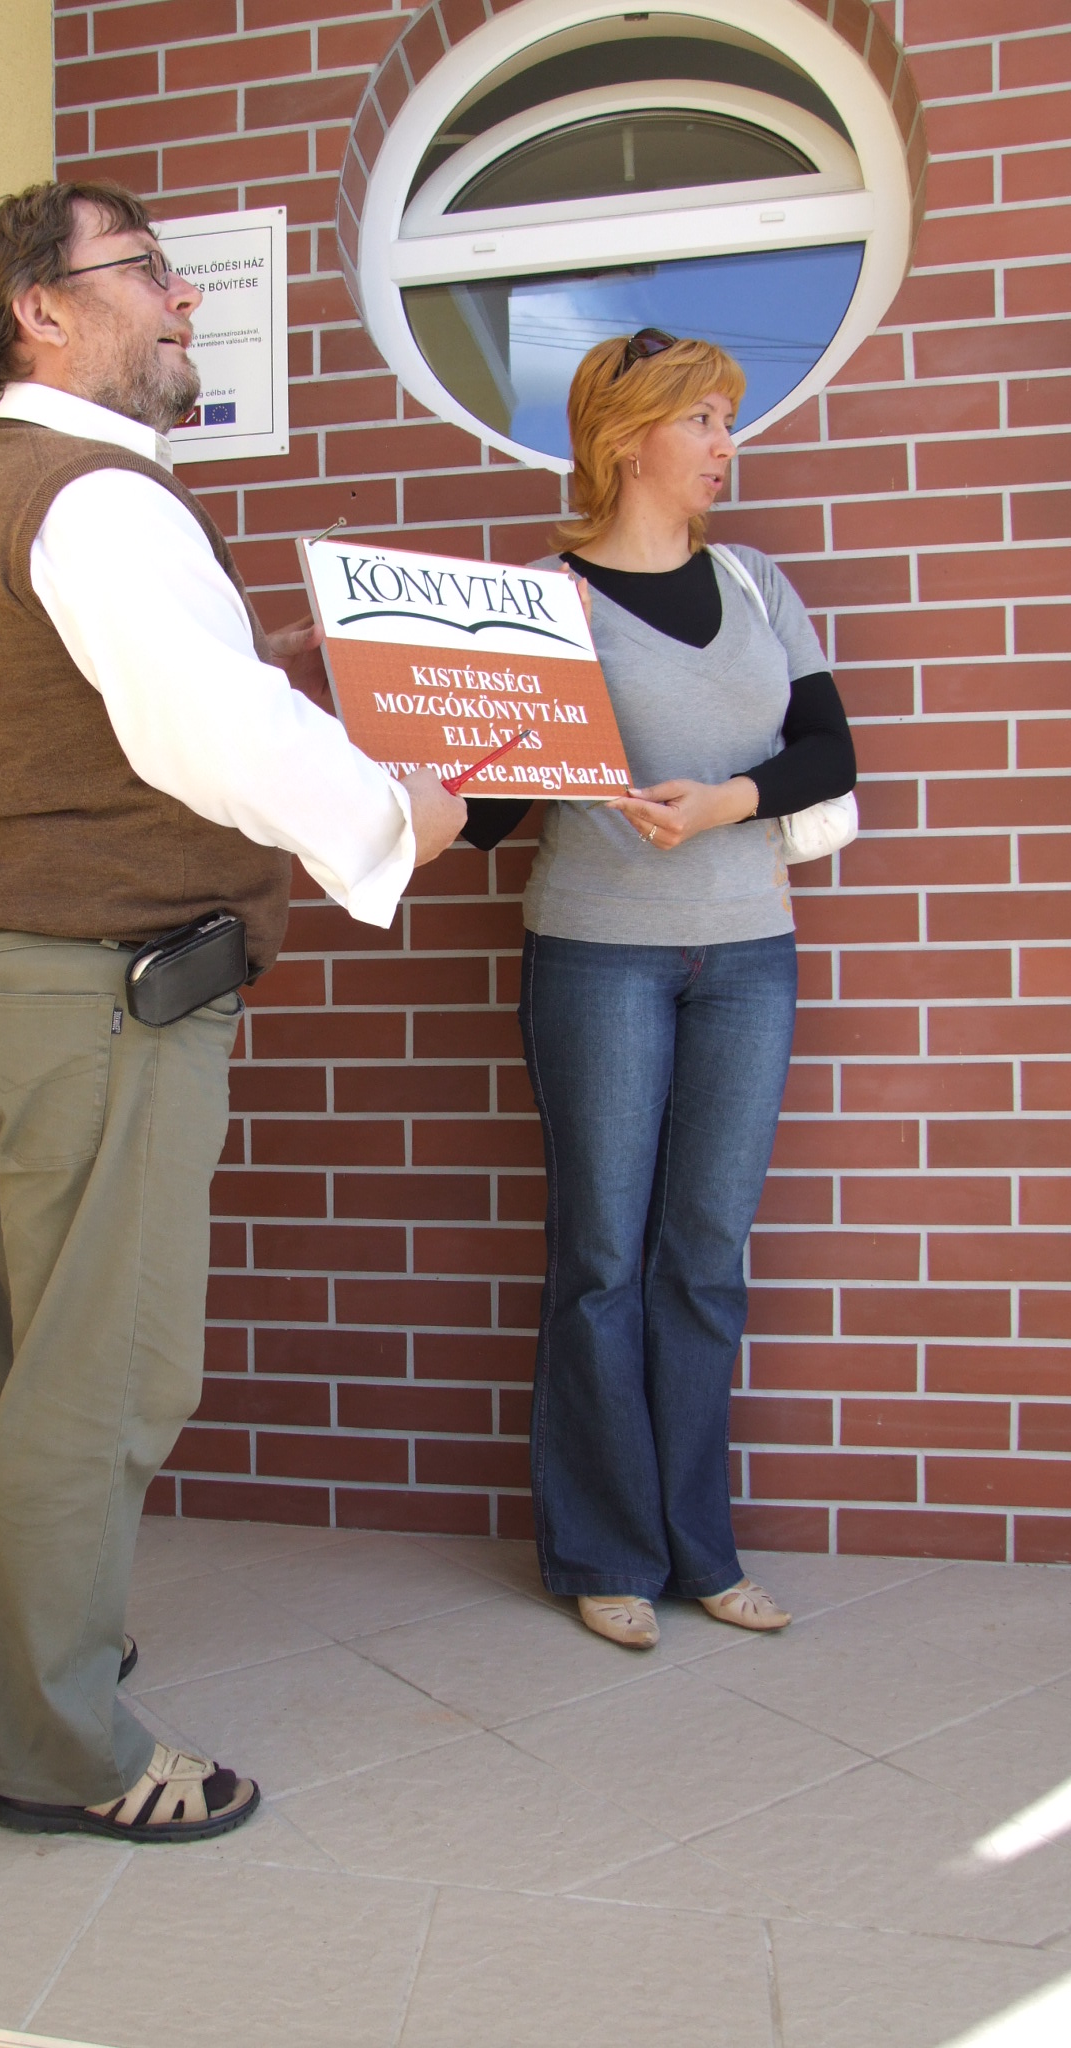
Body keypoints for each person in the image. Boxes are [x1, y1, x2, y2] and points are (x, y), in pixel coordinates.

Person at [0, 181, 466, 1838]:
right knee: (107, 1384)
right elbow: (204, 731)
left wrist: (258, 679)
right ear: (40, 311)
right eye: (146, 271)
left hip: (1, 989)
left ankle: (42, 1665)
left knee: (48, 1370)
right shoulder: (91, 493)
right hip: (97, 1004)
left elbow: (145, 705)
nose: (184, 300)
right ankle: (67, 1752)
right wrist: (393, 817)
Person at [464, 329, 855, 1651]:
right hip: (598, 955)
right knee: (601, 1260)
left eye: (727, 418)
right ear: (629, 437)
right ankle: (604, 1551)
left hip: (749, 956)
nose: (726, 444)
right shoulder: (541, 598)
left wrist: (728, 801)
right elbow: (489, 817)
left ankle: (702, 1551)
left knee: (703, 1259)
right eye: (705, 418)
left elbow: (829, 750)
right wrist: (485, 728)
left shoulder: (755, 583)